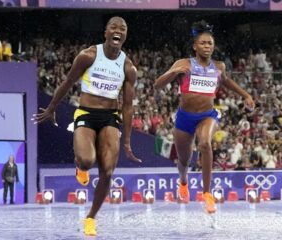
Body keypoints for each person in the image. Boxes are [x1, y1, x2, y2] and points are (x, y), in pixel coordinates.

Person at [33, 16, 141, 236]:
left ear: (125, 36)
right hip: (86, 113)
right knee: (86, 160)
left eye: (123, 28)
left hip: (111, 117)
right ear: (106, 32)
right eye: (113, 27)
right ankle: (80, 168)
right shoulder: (89, 56)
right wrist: (52, 107)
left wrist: (128, 140)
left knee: (108, 171)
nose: (118, 30)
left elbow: (128, 107)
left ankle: (91, 217)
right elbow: (68, 82)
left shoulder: (128, 68)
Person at [154, 20, 255, 214]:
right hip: (184, 118)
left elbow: (226, 82)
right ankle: (183, 182)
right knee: (184, 160)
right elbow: (157, 85)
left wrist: (246, 95)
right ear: (195, 46)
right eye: (203, 43)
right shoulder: (183, 64)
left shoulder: (219, 67)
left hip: (207, 116)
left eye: (210, 43)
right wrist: (174, 72)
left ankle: (207, 194)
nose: (207, 46)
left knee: (205, 144)